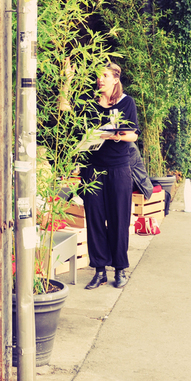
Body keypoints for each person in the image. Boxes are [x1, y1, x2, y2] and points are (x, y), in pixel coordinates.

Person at [82, 63, 139, 291]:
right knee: (94, 220)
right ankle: (99, 271)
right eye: (98, 76)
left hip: (118, 168)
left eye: (105, 75)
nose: (100, 79)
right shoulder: (90, 104)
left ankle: (120, 269)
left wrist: (112, 135)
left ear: (116, 79)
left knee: (119, 220)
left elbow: (132, 135)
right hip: (93, 169)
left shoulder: (127, 103)